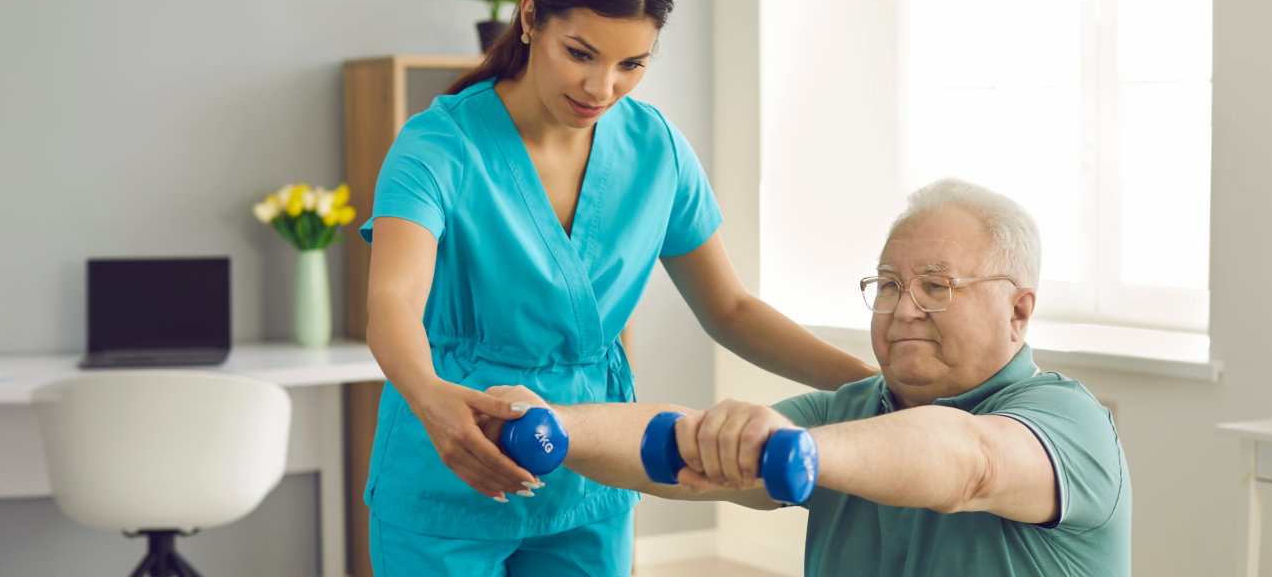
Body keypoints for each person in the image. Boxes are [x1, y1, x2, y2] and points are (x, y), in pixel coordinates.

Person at [358, 0, 878, 574]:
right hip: (452, 461)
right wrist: (431, 402)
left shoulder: (657, 150)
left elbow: (730, 309)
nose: (601, 87)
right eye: (580, 53)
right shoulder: (438, 145)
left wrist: (875, 388)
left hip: (592, 468)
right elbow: (394, 299)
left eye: (632, 63)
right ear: (530, 19)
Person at [484, 179, 1133, 576]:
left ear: (1019, 311)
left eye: (936, 286)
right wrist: (556, 426)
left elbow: (971, 462)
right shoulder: (850, 410)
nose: (904, 308)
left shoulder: (1067, 423)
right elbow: (681, 449)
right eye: (888, 285)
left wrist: (802, 451)